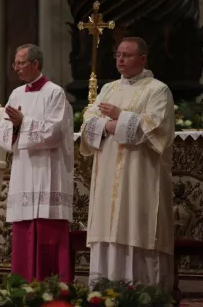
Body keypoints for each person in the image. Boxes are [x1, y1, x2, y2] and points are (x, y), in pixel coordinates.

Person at [80, 37, 175, 291]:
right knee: (108, 227)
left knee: (136, 225)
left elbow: (153, 129)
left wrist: (120, 117)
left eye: (127, 55)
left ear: (142, 59)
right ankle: (103, 289)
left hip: (139, 175)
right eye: (118, 55)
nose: (120, 60)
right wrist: (108, 125)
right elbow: (88, 121)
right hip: (108, 170)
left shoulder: (157, 90)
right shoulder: (108, 89)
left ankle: (143, 293)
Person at [0, 44, 74, 283]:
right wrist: (16, 125)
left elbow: (54, 131)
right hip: (24, 169)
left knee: (46, 227)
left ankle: (50, 284)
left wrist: (24, 122)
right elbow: (2, 129)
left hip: (47, 171)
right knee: (23, 226)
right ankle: (22, 282)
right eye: (15, 63)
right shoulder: (16, 94)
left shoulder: (55, 93)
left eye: (20, 63)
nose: (15, 68)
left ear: (35, 64)